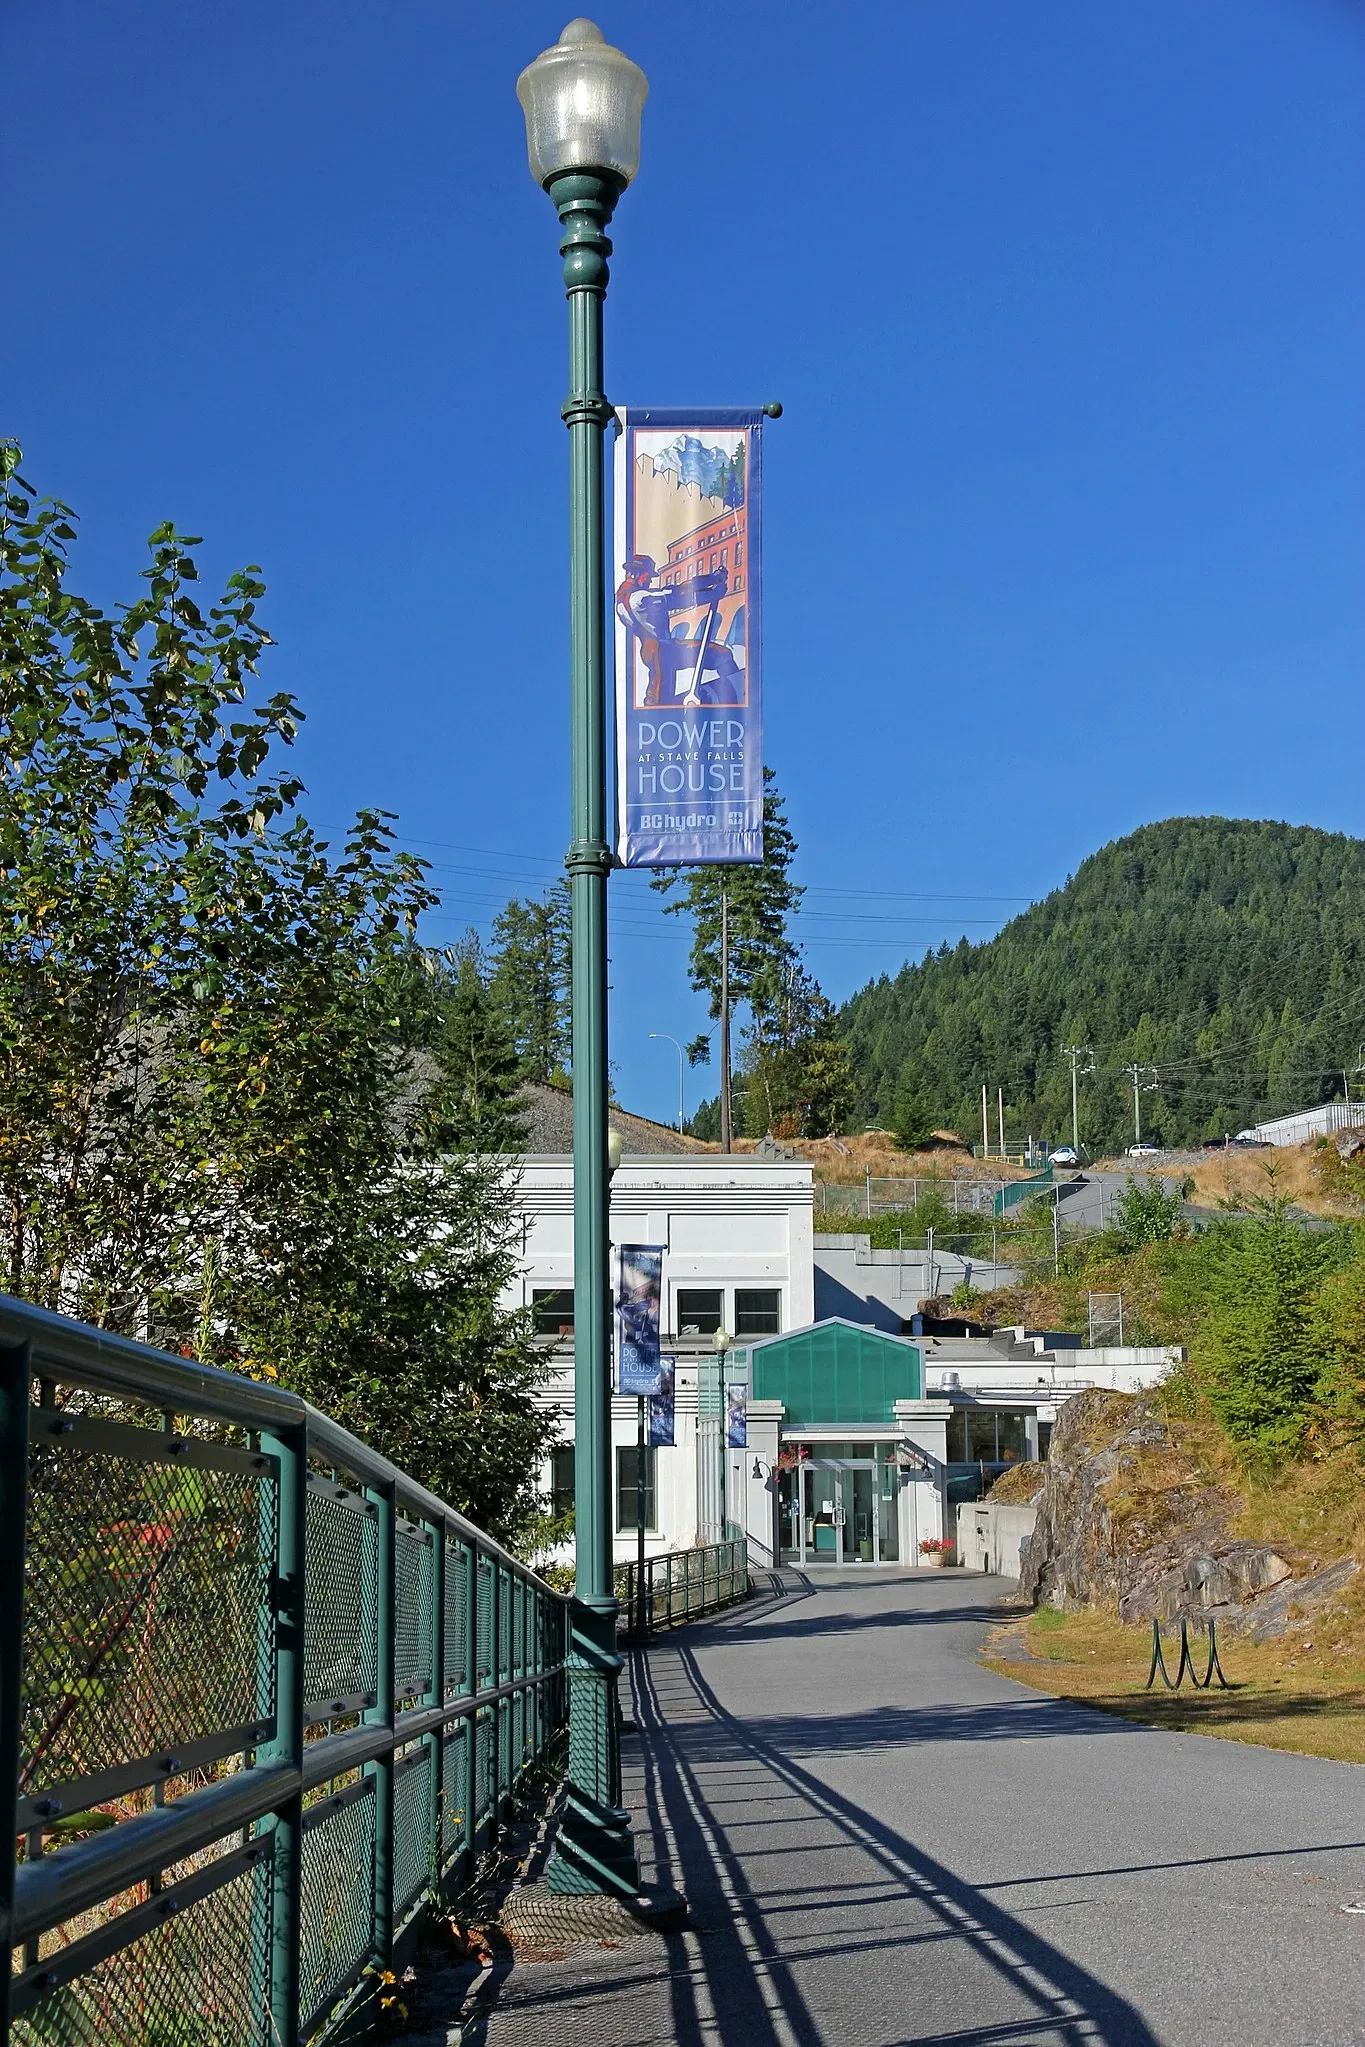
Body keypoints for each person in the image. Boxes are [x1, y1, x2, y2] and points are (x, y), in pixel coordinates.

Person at [614, 554, 744, 707]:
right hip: (660, 650)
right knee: (659, 697)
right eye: (648, 576)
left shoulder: (624, 600)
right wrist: (712, 591)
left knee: (720, 655)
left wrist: (711, 580)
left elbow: (676, 591)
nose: (650, 580)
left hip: (660, 648)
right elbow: (677, 595)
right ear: (637, 574)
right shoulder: (638, 599)